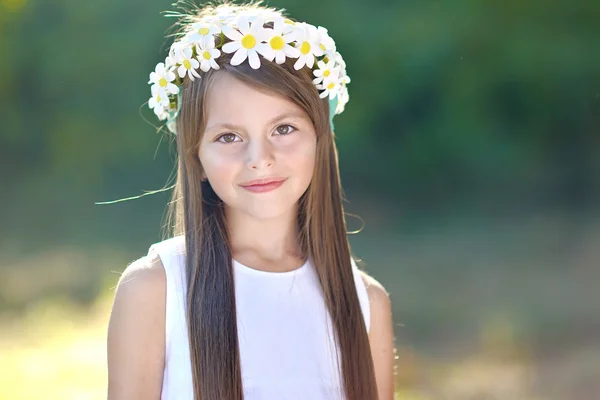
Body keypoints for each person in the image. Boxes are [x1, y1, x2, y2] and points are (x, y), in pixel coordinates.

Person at [106, 1, 395, 399]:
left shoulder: (366, 303)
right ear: (197, 157)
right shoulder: (155, 290)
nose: (259, 159)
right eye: (228, 137)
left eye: (284, 128)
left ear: (319, 139)